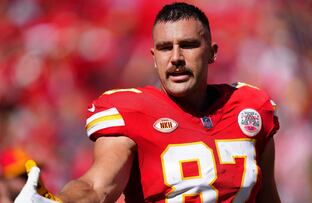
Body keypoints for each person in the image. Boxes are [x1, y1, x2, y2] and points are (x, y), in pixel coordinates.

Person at [15, 2, 281, 203]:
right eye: (165, 48)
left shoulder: (251, 106)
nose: (176, 57)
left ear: (212, 53)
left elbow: (267, 195)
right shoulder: (132, 110)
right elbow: (97, 186)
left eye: (188, 45)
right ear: (154, 58)